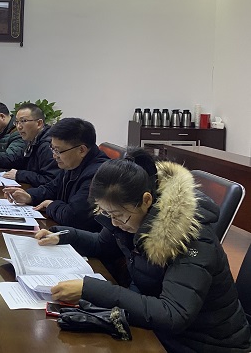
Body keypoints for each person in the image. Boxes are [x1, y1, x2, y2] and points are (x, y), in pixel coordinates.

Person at [37, 148, 251, 353]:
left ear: (146, 200)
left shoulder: (188, 235)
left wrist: (90, 289)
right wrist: (63, 235)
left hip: (203, 344)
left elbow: (174, 314)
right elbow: (102, 244)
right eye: (108, 214)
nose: (115, 223)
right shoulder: (132, 214)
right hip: (159, 330)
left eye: (119, 216)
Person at [3, 117, 108, 231]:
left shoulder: (98, 175)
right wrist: (30, 196)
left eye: (58, 151)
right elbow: (53, 187)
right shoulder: (72, 162)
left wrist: (51, 205)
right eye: (52, 149)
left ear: (81, 150)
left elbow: (73, 217)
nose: (54, 156)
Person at [0, 102, 59, 186]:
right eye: (17, 122)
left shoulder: (48, 145)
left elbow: (50, 180)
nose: (19, 127)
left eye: (23, 121)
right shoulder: (31, 139)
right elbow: (21, 161)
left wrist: (19, 175)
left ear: (39, 123)